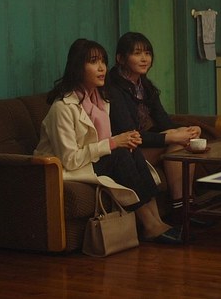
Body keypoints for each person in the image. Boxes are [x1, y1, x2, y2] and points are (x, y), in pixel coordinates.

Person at [35, 38, 182, 245]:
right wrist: (113, 143)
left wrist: (123, 141)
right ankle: (151, 226)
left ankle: (157, 221)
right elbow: (69, 159)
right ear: (78, 67)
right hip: (65, 169)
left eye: (103, 61)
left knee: (130, 150)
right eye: (93, 62)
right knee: (120, 155)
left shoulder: (100, 100)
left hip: (91, 160)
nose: (102, 67)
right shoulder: (63, 107)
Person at [106, 32, 206, 224]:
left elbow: (164, 122)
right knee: (177, 142)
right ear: (120, 58)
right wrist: (171, 136)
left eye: (148, 53)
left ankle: (185, 209)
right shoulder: (114, 89)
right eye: (137, 53)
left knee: (181, 142)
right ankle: (183, 212)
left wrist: (187, 130)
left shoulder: (144, 86)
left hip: (142, 146)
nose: (145, 59)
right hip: (125, 151)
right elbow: (129, 135)